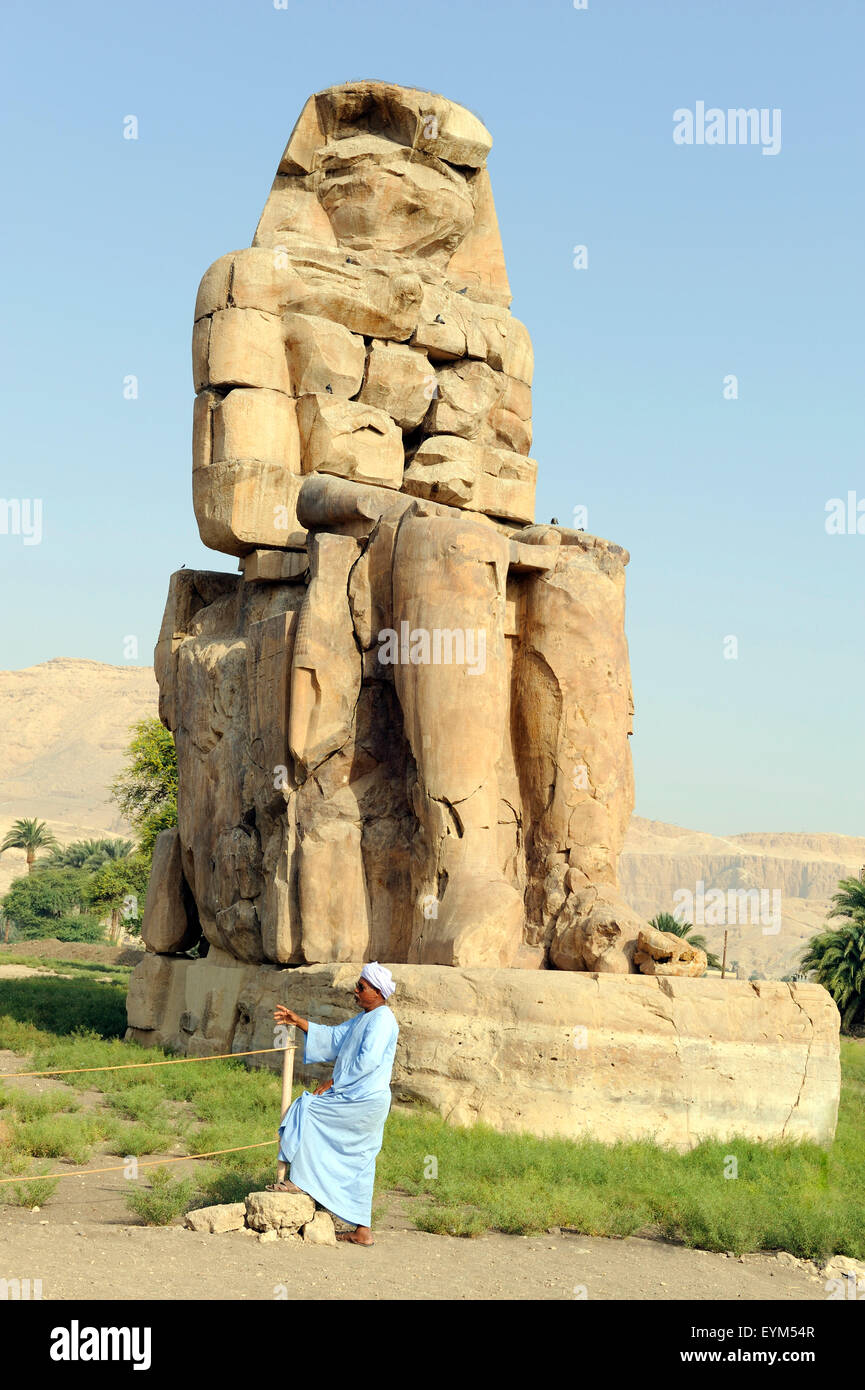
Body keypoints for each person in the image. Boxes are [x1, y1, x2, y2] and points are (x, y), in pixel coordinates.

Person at [269, 962, 398, 1247]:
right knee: (362, 1159)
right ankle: (362, 1230)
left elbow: (367, 1061)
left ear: (377, 992)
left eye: (361, 987)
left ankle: (299, 1181)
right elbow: (336, 1037)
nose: (356, 990)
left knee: (308, 1108)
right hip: (359, 1098)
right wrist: (298, 1021)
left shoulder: (383, 1020)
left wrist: (333, 1084)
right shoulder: (367, 1016)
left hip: (363, 1101)